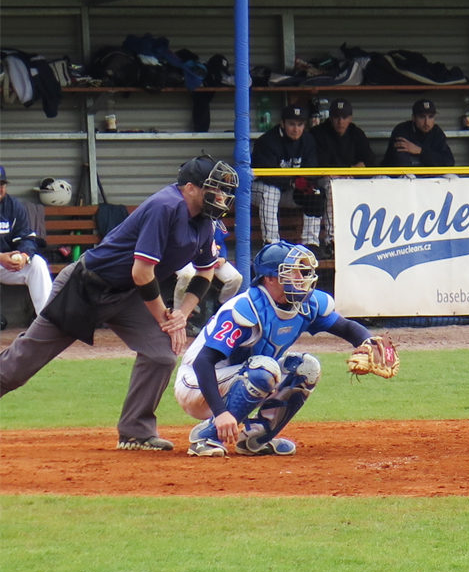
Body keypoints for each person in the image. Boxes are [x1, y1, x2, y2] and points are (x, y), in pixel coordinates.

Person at [0, 156, 238, 451]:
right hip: (87, 287)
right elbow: (142, 272)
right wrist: (165, 317)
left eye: (225, 191)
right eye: (214, 189)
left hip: (128, 295)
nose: (222, 197)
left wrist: (180, 315)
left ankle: (135, 432)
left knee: (160, 355)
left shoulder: (205, 221)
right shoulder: (166, 206)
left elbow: (206, 271)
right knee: (19, 365)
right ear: (190, 188)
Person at [177, 241, 379, 457]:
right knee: (265, 369)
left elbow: (346, 327)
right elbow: (203, 361)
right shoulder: (247, 309)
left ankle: (256, 438)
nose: (301, 279)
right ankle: (207, 436)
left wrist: (369, 343)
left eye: (303, 272)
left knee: (306, 368)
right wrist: (221, 412)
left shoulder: (305, 304)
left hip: (240, 376)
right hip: (196, 383)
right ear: (271, 278)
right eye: (294, 273)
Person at [251, 104, 324, 257]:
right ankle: (271, 244)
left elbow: (312, 171)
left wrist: (302, 184)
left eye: (300, 124)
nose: (296, 129)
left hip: (287, 193)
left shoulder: (308, 140)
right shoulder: (267, 141)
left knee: (315, 192)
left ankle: (310, 243)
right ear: (282, 123)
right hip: (258, 190)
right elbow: (268, 175)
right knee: (271, 192)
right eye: (291, 124)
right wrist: (293, 182)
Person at [309, 98, 377, 258]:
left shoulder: (356, 133)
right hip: (326, 183)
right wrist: (351, 169)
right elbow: (322, 167)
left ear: (350, 118)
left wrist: (349, 171)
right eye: (336, 117)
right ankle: (332, 241)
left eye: (344, 118)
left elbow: (369, 161)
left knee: (378, 182)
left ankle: (371, 238)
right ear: (330, 118)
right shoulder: (319, 133)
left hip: (352, 181)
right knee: (333, 185)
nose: (340, 122)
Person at [173, 218, 242, 336]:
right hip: (186, 258)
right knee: (187, 275)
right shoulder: (184, 217)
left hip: (210, 258)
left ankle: (220, 309)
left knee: (236, 278)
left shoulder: (215, 219)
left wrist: (223, 258)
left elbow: (220, 243)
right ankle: (178, 313)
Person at [0, 166, 53, 317]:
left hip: (6, 264)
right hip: (1, 259)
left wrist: (24, 256)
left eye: (1, 185)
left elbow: (27, 237)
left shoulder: (13, 206)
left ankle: (47, 324)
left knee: (37, 264)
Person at [381, 99, 455, 169]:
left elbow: (448, 162)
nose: (427, 122)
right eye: (422, 117)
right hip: (395, 179)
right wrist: (431, 159)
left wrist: (420, 151)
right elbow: (402, 163)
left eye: (431, 117)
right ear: (414, 118)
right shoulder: (402, 130)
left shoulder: (436, 132)